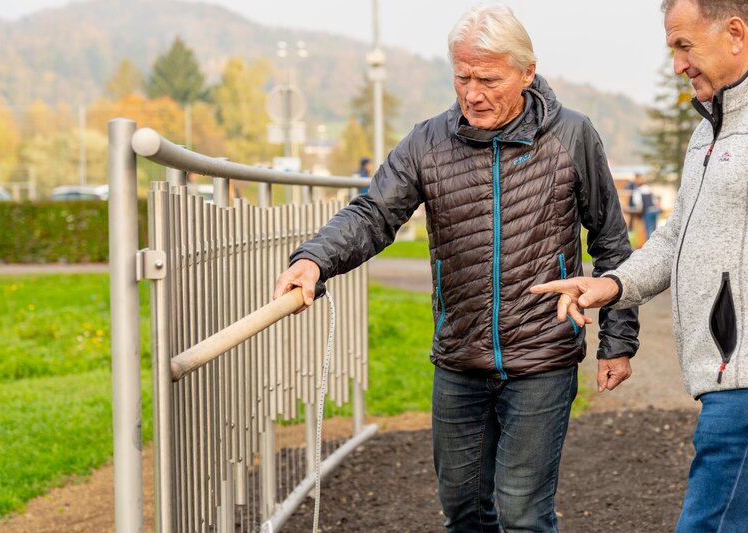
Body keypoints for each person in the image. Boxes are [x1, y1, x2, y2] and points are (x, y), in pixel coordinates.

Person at [273, 5, 639, 531]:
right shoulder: (428, 141)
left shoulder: (573, 135)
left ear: (527, 73)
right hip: (459, 359)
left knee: (522, 512)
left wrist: (618, 341)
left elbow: (611, 241)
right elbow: (373, 214)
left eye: (488, 79)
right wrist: (314, 259)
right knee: (463, 511)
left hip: (543, 356)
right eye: (462, 77)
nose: (473, 93)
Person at [531, 1, 748, 531]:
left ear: (734, 32)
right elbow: (678, 236)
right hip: (745, 380)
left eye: (684, 46)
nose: (677, 65)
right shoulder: (715, 122)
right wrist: (612, 284)